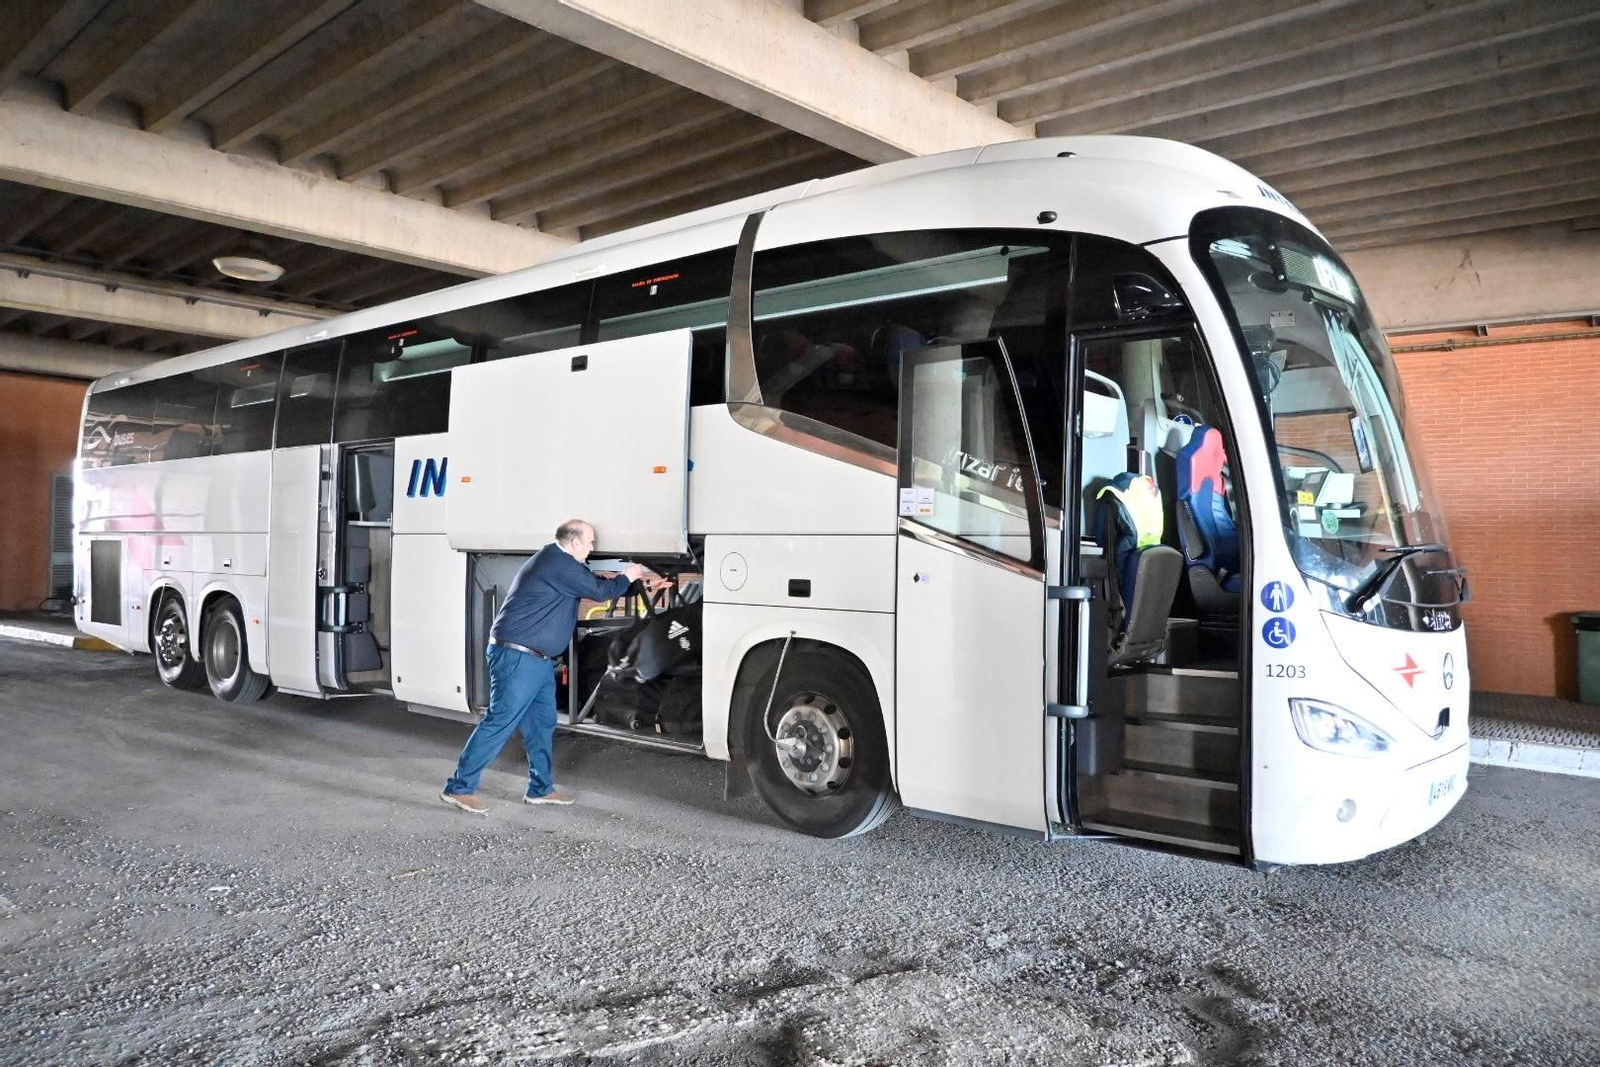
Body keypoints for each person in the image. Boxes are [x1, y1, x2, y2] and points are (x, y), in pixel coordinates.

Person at [440, 519, 644, 815]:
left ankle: (540, 789)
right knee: (500, 721)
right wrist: (628, 575)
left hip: (537, 660)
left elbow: (595, 585)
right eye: (590, 542)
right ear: (574, 542)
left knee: (542, 725)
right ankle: (458, 788)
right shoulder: (556, 563)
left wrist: (634, 586)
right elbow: (599, 591)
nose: (592, 547)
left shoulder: (562, 564)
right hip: (518, 658)